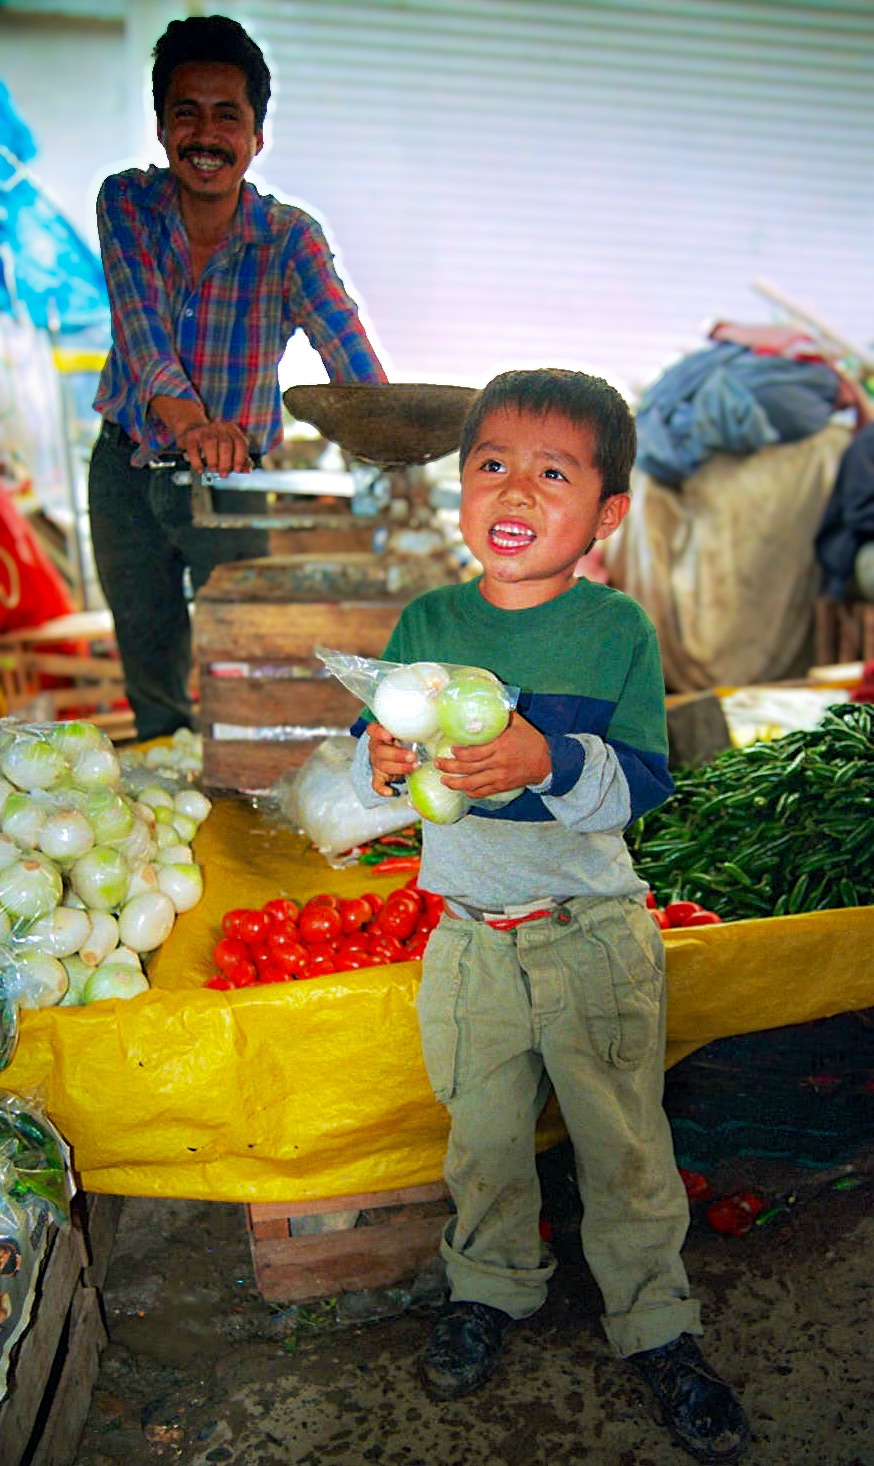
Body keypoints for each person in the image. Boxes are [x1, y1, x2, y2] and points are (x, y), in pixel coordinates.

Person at [351, 368, 751, 1464]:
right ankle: (489, 1288)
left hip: (590, 935)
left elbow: (642, 783)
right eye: (491, 464)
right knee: (480, 1139)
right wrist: (377, 758)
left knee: (624, 1142)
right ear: (459, 486)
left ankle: (656, 1322)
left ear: (606, 513)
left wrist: (548, 759)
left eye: (553, 472)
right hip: (469, 939)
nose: (515, 488)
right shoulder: (430, 620)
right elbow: (380, 758)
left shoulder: (615, 629)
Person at [89, 14, 386, 740]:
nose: (206, 136)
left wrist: (388, 434)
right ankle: (167, 772)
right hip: (126, 469)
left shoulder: (290, 239)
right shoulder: (125, 203)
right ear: (163, 127)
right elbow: (141, 330)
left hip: (232, 485)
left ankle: (237, 786)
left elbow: (343, 342)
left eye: (228, 116)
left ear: (257, 137)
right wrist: (194, 427)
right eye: (186, 113)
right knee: (151, 670)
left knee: (244, 670)